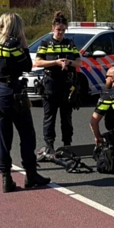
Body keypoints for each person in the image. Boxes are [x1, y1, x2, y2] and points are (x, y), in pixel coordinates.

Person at [0, 12, 51, 193]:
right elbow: (26, 66)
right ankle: (31, 174)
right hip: (10, 92)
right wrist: (23, 45)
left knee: (3, 137)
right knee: (27, 134)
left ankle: (6, 178)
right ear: (16, 27)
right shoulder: (12, 44)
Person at [34, 12, 80, 154]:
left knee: (66, 117)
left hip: (66, 85)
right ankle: (49, 145)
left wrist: (69, 62)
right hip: (50, 84)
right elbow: (38, 62)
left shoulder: (70, 43)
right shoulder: (45, 44)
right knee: (50, 117)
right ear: (53, 28)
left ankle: (67, 144)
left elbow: (80, 62)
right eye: (58, 29)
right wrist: (55, 62)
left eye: (63, 30)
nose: (60, 32)